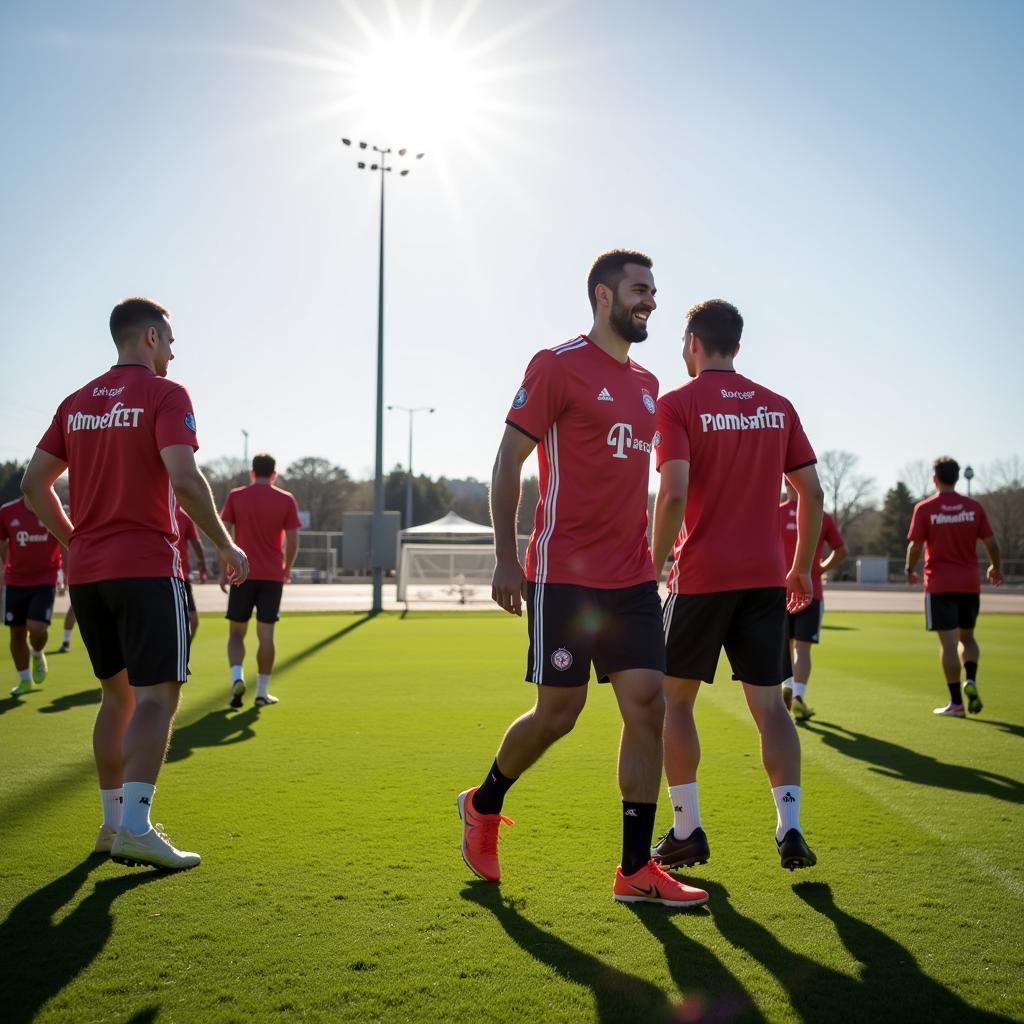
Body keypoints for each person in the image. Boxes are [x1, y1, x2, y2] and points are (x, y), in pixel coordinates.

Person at [457, 249, 708, 908]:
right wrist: (506, 556)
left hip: (629, 582)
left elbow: (657, 484)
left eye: (653, 290)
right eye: (638, 290)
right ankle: (482, 805)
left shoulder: (651, 385)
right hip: (562, 576)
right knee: (559, 714)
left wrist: (658, 558)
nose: (649, 300)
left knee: (647, 707)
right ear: (603, 295)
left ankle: (634, 870)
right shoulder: (556, 365)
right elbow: (508, 458)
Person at [21, 296, 248, 870]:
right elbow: (186, 479)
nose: (173, 352)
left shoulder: (75, 402)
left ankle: (111, 824)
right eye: (170, 340)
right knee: (157, 698)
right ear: (149, 337)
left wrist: (74, 541)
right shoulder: (165, 393)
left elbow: (32, 485)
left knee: (115, 697)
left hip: (89, 574)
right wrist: (226, 544)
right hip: (146, 567)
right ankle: (138, 829)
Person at [650, 299, 824, 874]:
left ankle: (686, 829)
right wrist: (799, 566)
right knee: (770, 707)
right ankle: (791, 826)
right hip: (764, 580)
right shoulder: (778, 406)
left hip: (699, 577)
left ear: (692, 343)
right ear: (738, 347)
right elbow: (812, 494)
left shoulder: (676, 403)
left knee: (674, 701)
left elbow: (672, 494)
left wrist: (652, 567)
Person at [905, 456, 1002, 717]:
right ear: (957, 478)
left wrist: (909, 569)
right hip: (969, 583)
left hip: (939, 584)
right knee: (967, 637)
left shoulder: (925, 508)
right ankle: (970, 677)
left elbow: (914, 545)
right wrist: (996, 567)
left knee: (948, 643)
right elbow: (992, 543)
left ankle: (956, 702)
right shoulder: (973, 506)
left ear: (934, 478)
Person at [220, 453, 300, 709]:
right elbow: (293, 540)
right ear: (274, 474)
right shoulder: (286, 499)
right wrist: (286, 568)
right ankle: (261, 693)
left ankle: (237, 678)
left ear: (252, 472)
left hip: (241, 573)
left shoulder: (236, 496)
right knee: (266, 635)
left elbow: (223, 535)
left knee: (236, 633)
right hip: (272, 576)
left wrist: (224, 570)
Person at [778, 480, 847, 719]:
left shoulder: (774, 513)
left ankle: (786, 686)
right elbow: (841, 551)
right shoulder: (822, 516)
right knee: (803, 649)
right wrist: (819, 569)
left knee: (783, 646)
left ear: (786, 482)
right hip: (810, 590)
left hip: (778, 590)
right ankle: (798, 694)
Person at [0, 495, 63, 694]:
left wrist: (68, 575)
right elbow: (2, 542)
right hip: (14, 580)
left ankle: (37, 654)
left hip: (45, 578)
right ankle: (25, 680)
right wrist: (4, 567)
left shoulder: (52, 508)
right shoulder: (7, 511)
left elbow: (65, 540)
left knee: (37, 628)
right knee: (16, 632)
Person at [175, 503, 209, 639]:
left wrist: (203, 566)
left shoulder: (183, 516)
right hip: (160, 577)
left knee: (193, 621)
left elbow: (196, 542)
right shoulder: (155, 512)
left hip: (181, 576)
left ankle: (182, 656)